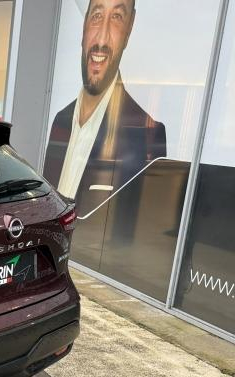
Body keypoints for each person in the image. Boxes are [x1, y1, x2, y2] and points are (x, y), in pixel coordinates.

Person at [43, 0, 166, 219]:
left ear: (129, 29)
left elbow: (134, 229)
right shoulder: (61, 120)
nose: (101, 38)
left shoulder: (146, 133)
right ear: (84, 27)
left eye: (117, 17)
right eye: (97, 16)